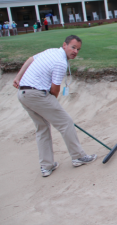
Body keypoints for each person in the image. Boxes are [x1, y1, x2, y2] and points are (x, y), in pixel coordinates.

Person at [13, 35, 97, 177]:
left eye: (78, 49)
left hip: (23, 93)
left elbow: (30, 59)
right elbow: (55, 89)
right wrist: (52, 104)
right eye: (73, 47)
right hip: (37, 94)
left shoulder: (50, 51)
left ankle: (47, 166)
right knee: (66, 123)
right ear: (65, 45)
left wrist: (18, 77)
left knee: (42, 128)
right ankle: (78, 156)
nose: (75, 51)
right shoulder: (60, 62)